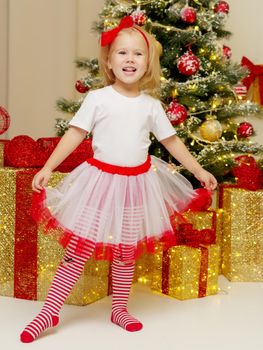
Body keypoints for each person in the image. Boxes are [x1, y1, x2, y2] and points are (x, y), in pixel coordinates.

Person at [20, 15, 217, 343]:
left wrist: (198, 170)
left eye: (138, 54)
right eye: (122, 53)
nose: (130, 59)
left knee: (126, 249)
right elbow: (74, 134)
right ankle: (50, 310)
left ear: (148, 63)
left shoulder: (151, 106)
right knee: (79, 248)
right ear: (109, 62)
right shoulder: (98, 99)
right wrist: (48, 167)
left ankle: (120, 308)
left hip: (137, 185)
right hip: (99, 183)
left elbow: (171, 142)